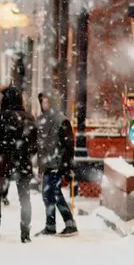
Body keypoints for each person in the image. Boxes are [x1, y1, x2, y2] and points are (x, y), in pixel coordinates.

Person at [0, 86, 37, 242]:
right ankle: (25, 232)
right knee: (25, 198)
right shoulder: (29, 118)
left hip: (3, 163)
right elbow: (34, 144)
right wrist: (26, 154)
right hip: (23, 163)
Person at [36, 93, 78, 237]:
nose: (44, 104)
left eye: (47, 102)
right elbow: (41, 147)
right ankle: (55, 225)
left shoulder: (61, 121)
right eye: (42, 102)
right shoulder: (42, 120)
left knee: (52, 194)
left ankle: (65, 224)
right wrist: (40, 168)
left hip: (57, 164)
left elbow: (68, 145)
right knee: (50, 194)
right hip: (48, 164)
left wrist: (66, 166)